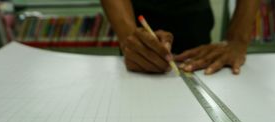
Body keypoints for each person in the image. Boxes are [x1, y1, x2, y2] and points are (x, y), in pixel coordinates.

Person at [101, 0, 260, 75]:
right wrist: (129, 37)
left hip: (195, 21)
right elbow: (132, 41)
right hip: (136, 14)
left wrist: (237, 41)